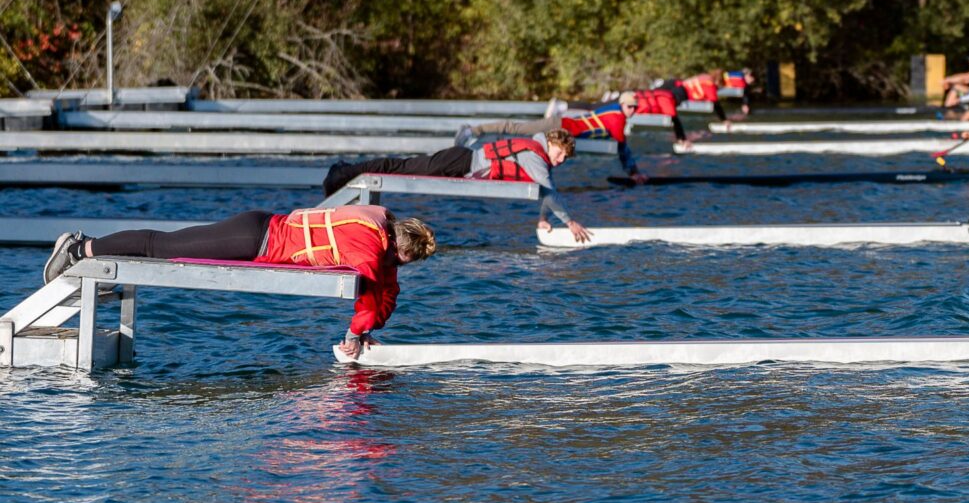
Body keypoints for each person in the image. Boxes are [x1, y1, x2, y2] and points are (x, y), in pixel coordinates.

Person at [41, 206, 436, 358]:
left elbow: (386, 292)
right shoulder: (368, 244)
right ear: (399, 248)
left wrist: (367, 331)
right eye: (402, 261)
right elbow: (369, 291)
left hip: (260, 232)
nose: (398, 267)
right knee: (161, 246)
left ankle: (94, 255)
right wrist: (354, 333)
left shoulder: (381, 234)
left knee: (163, 246)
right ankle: (81, 248)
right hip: (253, 237)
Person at [322, 128, 593, 243]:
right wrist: (570, 223)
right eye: (560, 154)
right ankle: (343, 173)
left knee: (400, 166)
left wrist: (544, 219)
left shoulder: (538, 155)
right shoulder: (536, 155)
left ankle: (345, 171)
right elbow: (550, 191)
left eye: (564, 160)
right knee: (398, 167)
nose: (559, 161)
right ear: (552, 143)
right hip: (459, 162)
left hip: (460, 162)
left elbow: (547, 190)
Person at [469, 92, 644, 178]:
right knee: (516, 129)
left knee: (522, 140)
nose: (632, 110)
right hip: (558, 126)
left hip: (561, 131)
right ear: (622, 105)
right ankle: (474, 130)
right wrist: (633, 173)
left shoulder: (613, 110)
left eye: (635, 108)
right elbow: (623, 147)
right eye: (629, 107)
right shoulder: (617, 118)